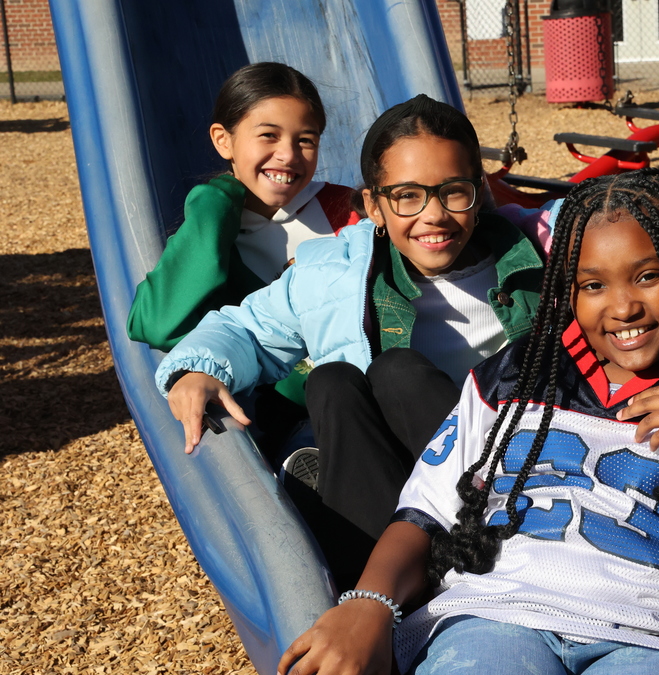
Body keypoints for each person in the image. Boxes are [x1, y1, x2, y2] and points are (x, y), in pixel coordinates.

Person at [276, 169, 659, 675]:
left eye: (648, 275)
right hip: (496, 615)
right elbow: (424, 516)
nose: (622, 306)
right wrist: (369, 602)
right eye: (592, 285)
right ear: (568, 291)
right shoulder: (514, 377)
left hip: (655, 639)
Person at [154, 94, 556, 588]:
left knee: (398, 373)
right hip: (393, 487)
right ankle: (375, 583)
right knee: (333, 382)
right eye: (407, 196)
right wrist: (199, 368)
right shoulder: (334, 272)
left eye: (453, 192)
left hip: (499, 475)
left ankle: (447, 556)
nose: (433, 215)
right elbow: (242, 327)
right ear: (374, 206)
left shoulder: (538, 252)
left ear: (479, 192)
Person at [127, 62, 360, 457]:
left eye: (306, 140)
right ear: (223, 140)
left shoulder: (345, 212)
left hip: (353, 393)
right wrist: (215, 202)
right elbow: (155, 323)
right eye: (268, 135)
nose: (287, 155)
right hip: (273, 411)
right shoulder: (218, 224)